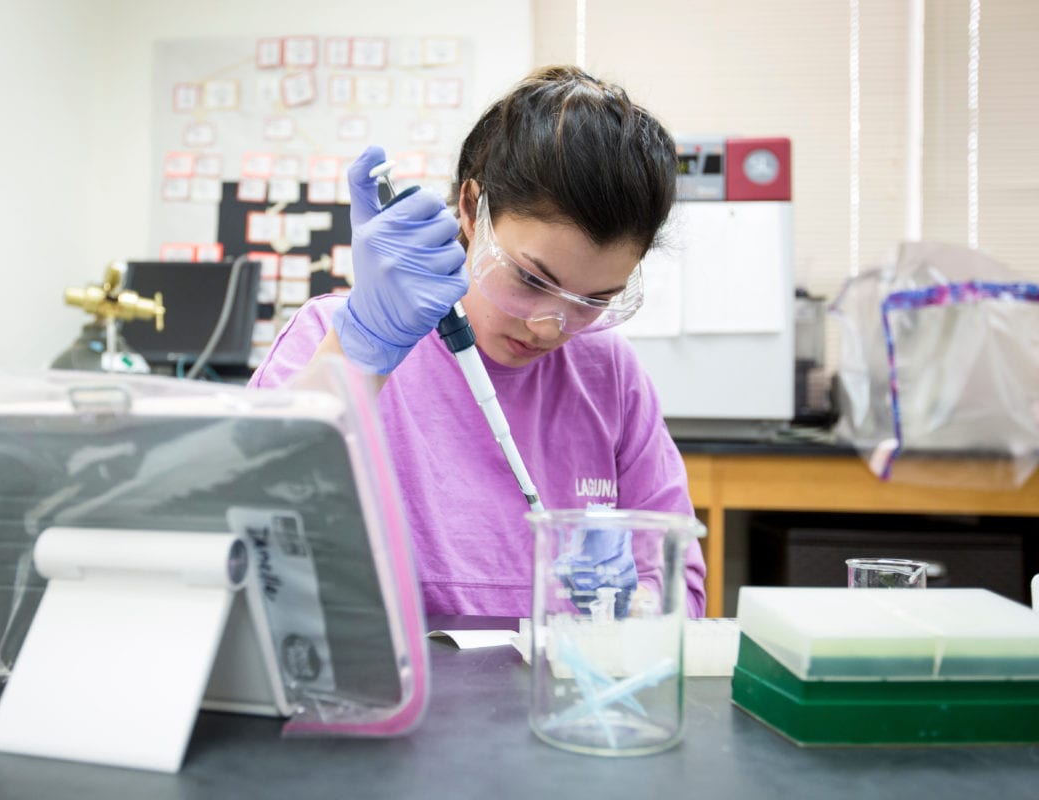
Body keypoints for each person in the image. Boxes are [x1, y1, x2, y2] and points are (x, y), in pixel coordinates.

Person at [251, 65, 707, 618]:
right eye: (531, 279)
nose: (549, 327)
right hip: (402, 697)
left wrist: (638, 611)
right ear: (471, 209)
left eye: (594, 300)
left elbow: (674, 568)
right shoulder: (339, 338)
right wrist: (356, 360)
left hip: (563, 692)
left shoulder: (607, 372)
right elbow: (249, 538)